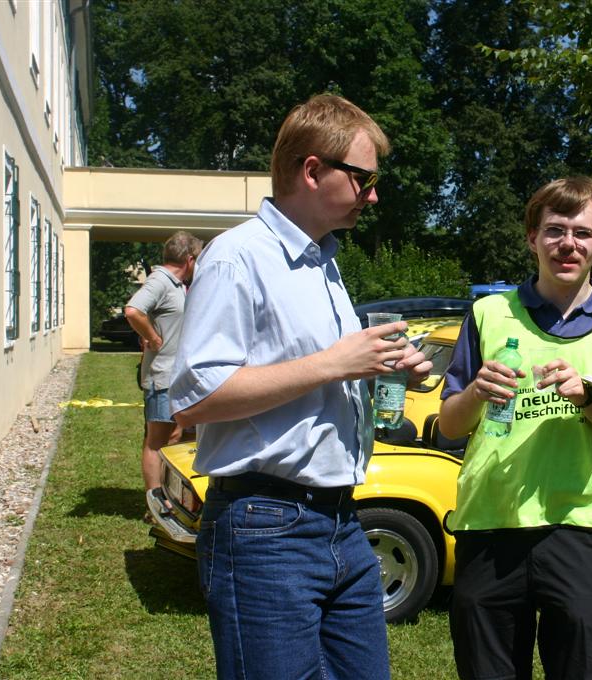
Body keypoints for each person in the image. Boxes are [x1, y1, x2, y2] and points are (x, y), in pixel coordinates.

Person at [169, 94, 431, 680]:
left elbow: (317, 377)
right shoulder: (238, 257)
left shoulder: (323, 264)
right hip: (265, 524)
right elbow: (195, 396)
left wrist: (382, 366)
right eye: (363, 179)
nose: (374, 195)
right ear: (312, 171)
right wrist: (336, 362)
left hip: (341, 521)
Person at [438, 176, 592, 680]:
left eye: (583, 233)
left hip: (580, 526)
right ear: (531, 238)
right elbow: (450, 424)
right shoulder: (488, 314)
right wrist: (475, 392)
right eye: (555, 230)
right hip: (491, 521)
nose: (568, 244)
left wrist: (590, 401)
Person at [124, 230, 202, 502]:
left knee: (176, 436)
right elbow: (133, 310)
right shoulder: (160, 281)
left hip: (176, 375)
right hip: (163, 375)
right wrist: (152, 337)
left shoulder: (177, 285)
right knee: (157, 440)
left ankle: (171, 497)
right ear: (189, 259)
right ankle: (155, 503)